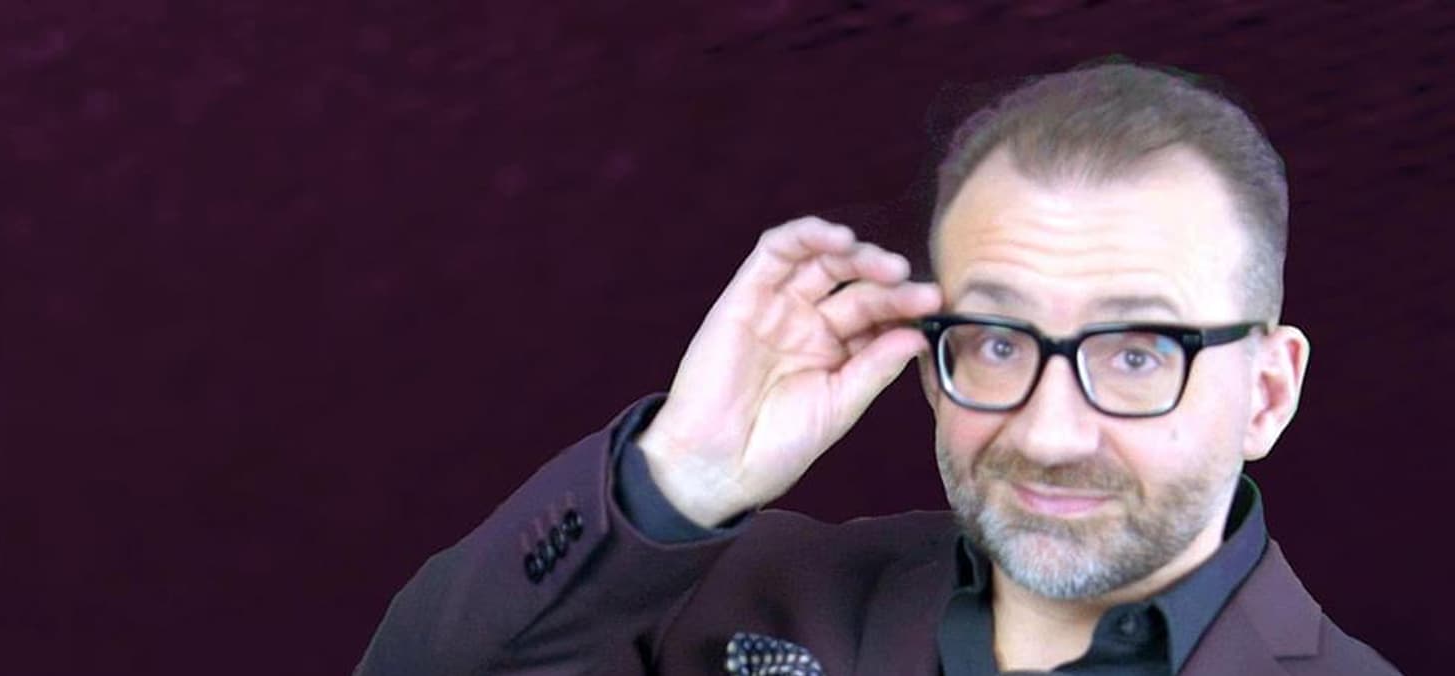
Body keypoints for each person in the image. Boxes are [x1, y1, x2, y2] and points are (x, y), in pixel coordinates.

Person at [355, 59, 1400, 675]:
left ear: (1267, 393)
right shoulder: (729, 596)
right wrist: (678, 474)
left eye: (1136, 353)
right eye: (998, 343)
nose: (1049, 433)